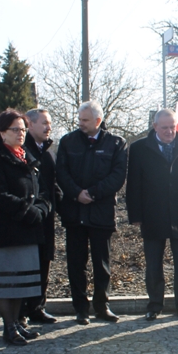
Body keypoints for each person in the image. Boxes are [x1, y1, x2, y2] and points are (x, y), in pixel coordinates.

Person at [126, 108, 178, 321]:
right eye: (165, 128)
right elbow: (133, 185)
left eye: (172, 127)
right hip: (152, 214)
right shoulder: (139, 148)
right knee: (153, 264)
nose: (170, 131)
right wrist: (135, 214)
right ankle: (154, 305)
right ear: (155, 127)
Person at [0, 109, 51, 345]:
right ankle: (9, 327)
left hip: (27, 229)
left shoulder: (27, 156)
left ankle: (18, 325)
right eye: (15, 130)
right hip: (4, 230)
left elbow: (40, 190)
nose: (21, 133)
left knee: (21, 282)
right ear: (2, 133)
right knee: (6, 283)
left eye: (23, 129)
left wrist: (41, 209)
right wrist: (27, 210)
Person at [55, 100, 128, 325]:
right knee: (76, 264)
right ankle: (81, 308)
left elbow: (118, 176)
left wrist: (93, 193)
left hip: (101, 213)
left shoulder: (116, 143)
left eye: (85, 120)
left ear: (98, 121)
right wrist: (77, 193)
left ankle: (101, 305)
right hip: (74, 213)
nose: (80, 124)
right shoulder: (68, 141)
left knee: (101, 263)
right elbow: (61, 173)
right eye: (79, 119)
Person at [21, 108, 61, 325]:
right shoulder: (22, 149)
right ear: (30, 124)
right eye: (44, 123)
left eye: (50, 123)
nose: (49, 127)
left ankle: (38, 307)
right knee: (28, 263)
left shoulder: (47, 151)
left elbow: (52, 183)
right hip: (28, 217)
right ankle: (23, 310)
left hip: (46, 217)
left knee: (44, 261)